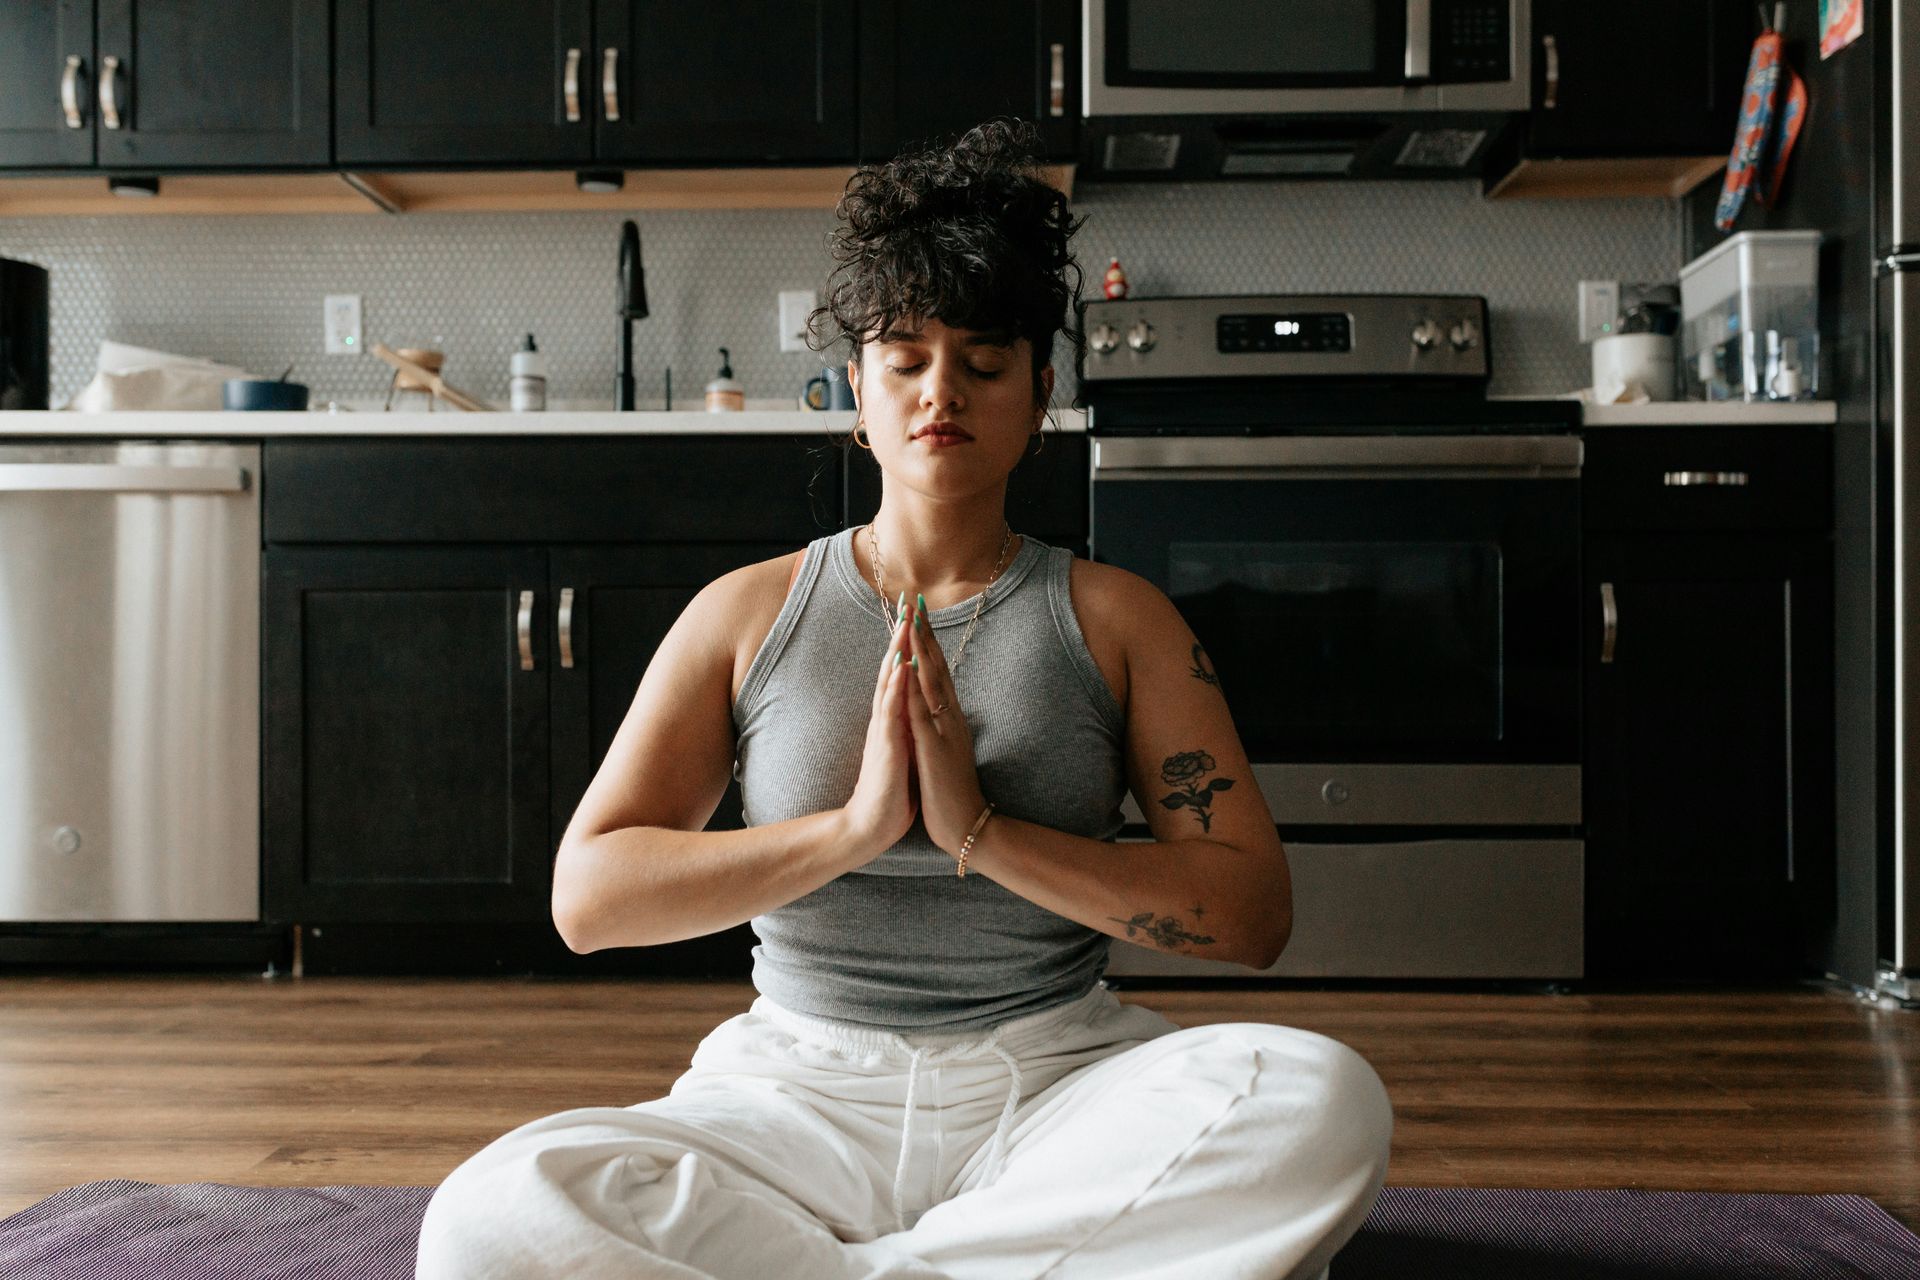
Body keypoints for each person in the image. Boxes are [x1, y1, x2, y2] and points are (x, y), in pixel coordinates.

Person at [415, 119, 1392, 1280]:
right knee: (492, 1214)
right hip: (794, 1091)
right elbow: (589, 899)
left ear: (1037, 396)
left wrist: (981, 831)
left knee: (1321, 1098)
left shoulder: (1119, 617)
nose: (943, 392)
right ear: (858, 392)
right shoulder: (746, 611)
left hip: (1057, 1082)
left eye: (984, 364)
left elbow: (1251, 914)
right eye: (907, 358)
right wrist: (853, 831)